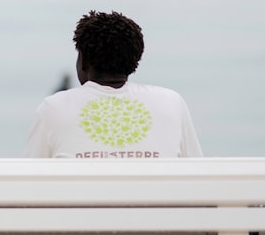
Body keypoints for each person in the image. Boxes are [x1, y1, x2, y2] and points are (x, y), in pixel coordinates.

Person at [25, 10, 202, 159]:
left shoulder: (53, 107)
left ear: (84, 62)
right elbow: (197, 173)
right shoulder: (171, 102)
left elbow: (30, 183)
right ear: (134, 60)